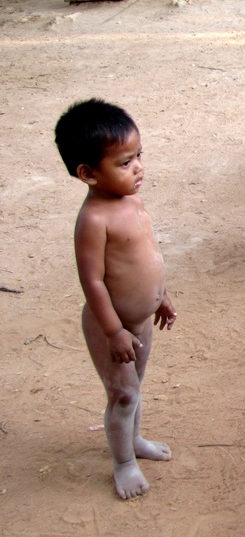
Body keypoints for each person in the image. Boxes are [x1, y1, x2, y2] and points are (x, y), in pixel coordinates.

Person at [54, 99, 177, 500]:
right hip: (114, 327)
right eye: (124, 163)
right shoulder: (94, 219)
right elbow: (92, 282)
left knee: (135, 387)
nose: (138, 166)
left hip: (141, 320)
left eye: (138, 156)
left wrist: (161, 296)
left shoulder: (132, 200)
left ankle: (135, 439)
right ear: (87, 173)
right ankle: (123, 463)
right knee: (122, 393)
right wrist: (113, 332)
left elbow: (147, 255)